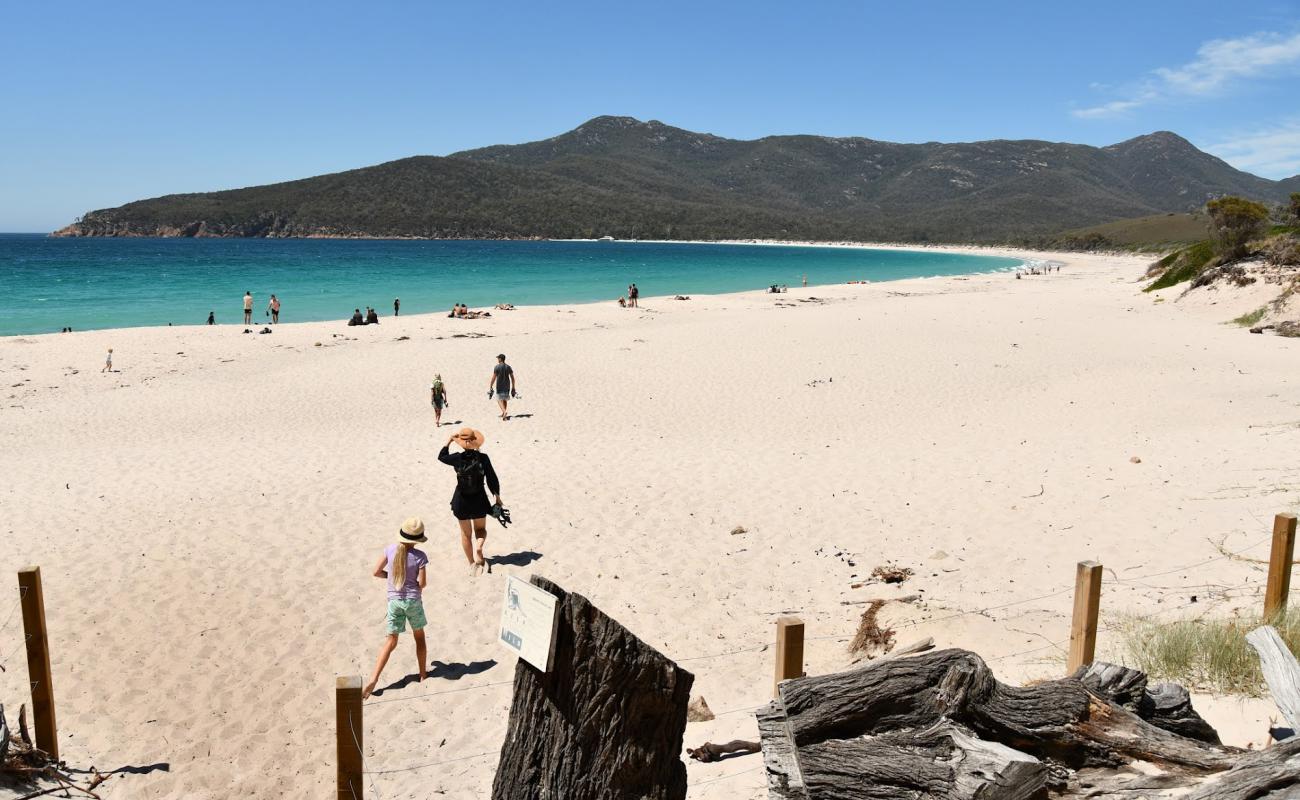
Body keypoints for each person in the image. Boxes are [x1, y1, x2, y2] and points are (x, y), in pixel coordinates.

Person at [362, 517, 430, 698]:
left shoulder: (390, 550)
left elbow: (376, 571)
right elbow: (422, 584)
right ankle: (423, 674)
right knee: (419, 637)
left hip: (394, 601)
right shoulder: (420, 557)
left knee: (391, 641)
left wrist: (391, 578)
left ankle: (374, 679)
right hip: (413, 601)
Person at [438, 428, 501, 575]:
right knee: (480, 530)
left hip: (461, 501)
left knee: (466, 534)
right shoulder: (483, 458)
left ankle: (472, 563)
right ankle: (479, 547)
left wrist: (449, 440)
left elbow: (441, 456)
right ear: (475, 441)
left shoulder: (456, 458)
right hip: (479, 499)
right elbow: (492, 478)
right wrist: (497, 497)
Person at [488, 353, 515, 421]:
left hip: (500, 385)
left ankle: (504, 412)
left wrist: (491, 385)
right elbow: (512, 378)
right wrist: (513, 387)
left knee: (499, 399)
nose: (497, 359)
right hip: (507, 385)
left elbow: (494, 377)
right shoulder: (508, 367)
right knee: (505, 399)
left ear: (500, 359)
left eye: (498, 358)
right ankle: (504, 414)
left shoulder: (497, 367)